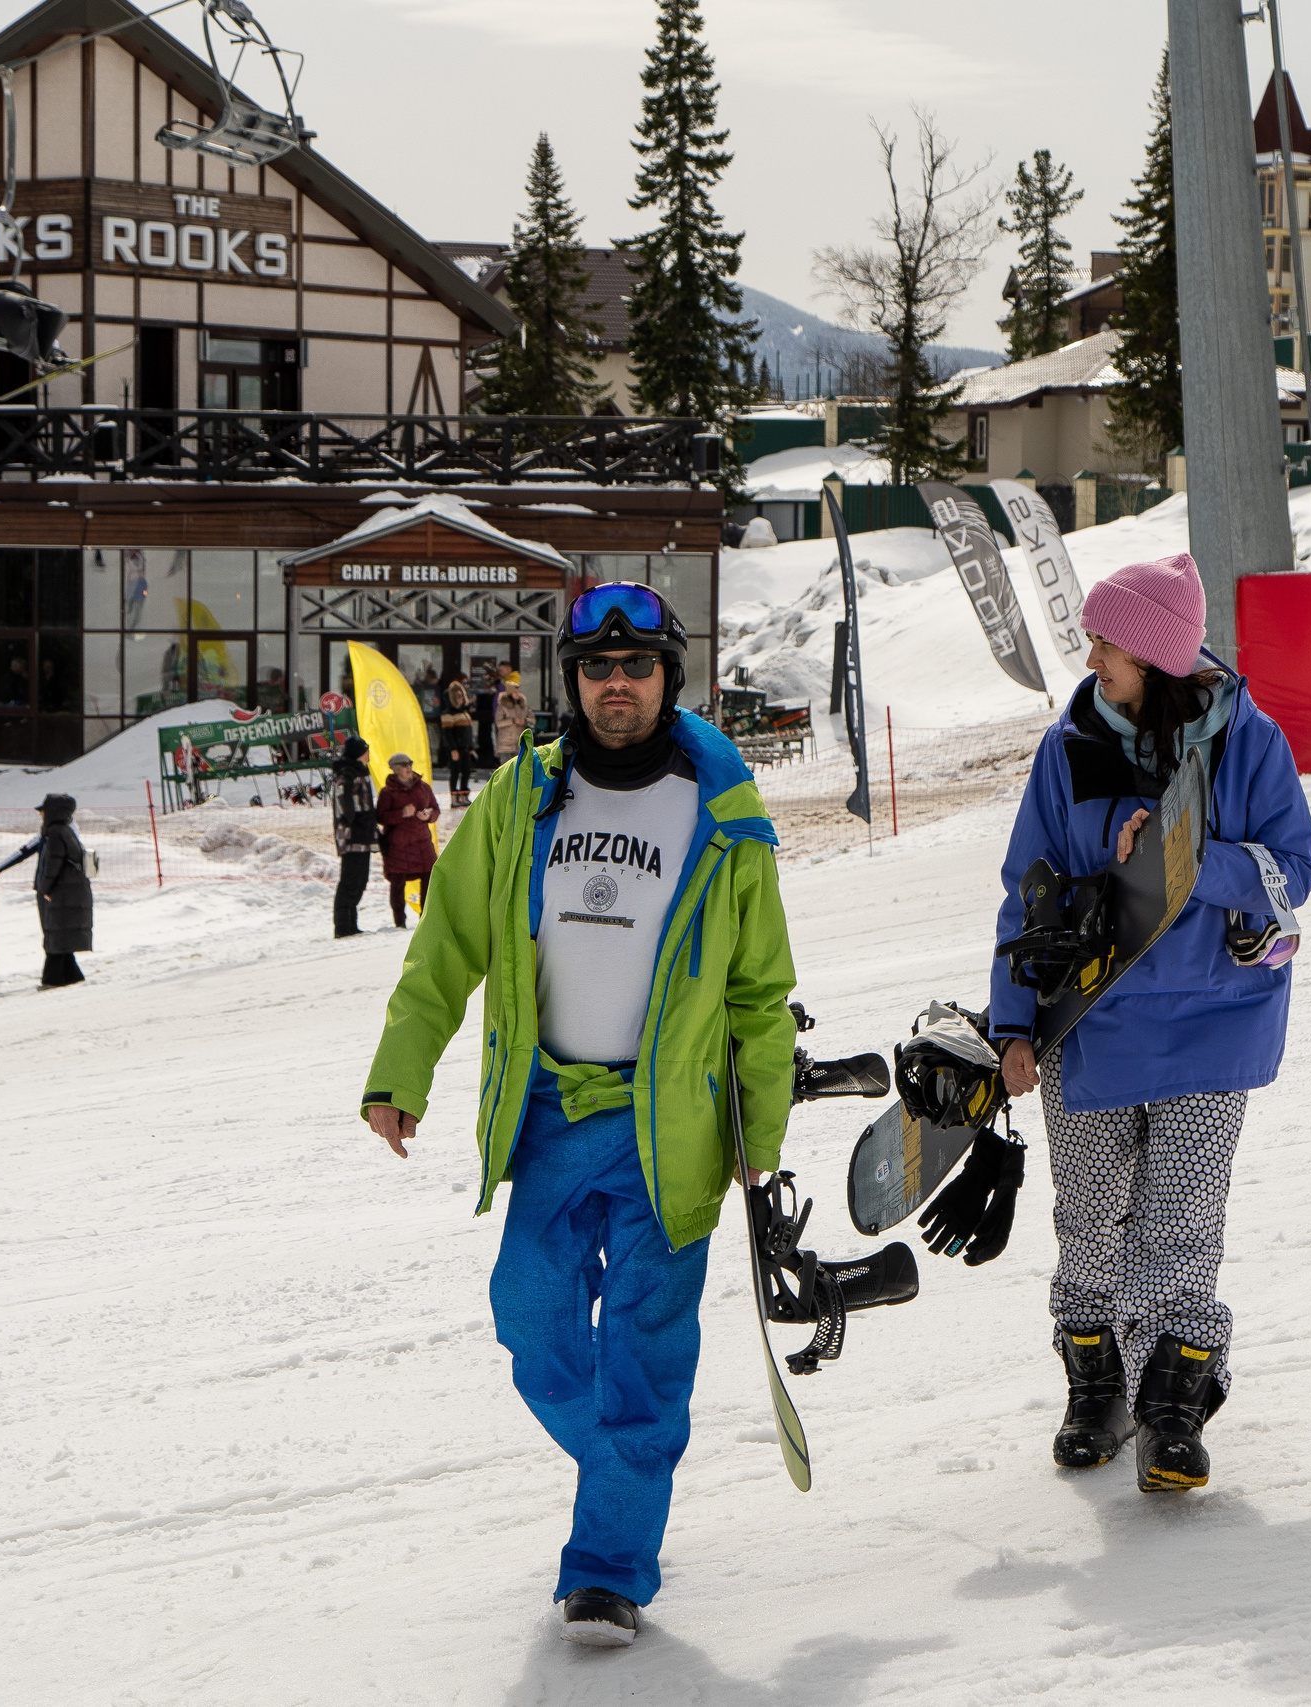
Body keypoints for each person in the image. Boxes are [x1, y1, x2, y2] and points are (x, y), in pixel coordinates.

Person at [360, 582, 797, 1649]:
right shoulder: (520, 800)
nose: (615, 686)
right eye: (597, 669)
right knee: (531, 1319)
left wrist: (760, 1136)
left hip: (675, 1123)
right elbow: (446, 947)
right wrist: (398, 1071)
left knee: (645, 1354)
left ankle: (606, 1568)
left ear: (667, 676)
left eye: (635, 667)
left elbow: (758, 991)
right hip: (552, 1112)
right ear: (572, 682)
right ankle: (627, 1462)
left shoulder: (723, 818)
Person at [988, 552, 1311, 1493]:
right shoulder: (1070, 747)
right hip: (1092, 1020)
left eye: (1108, 646)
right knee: (1091, 1217)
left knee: (1178, 1218)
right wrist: (1016, 1025)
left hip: (1217, 1022)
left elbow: (1293, 868)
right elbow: (1028, 892)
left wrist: (1188, 863)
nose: (1093, 662)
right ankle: (1096, 1383)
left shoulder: (1249, 742)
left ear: (1159, 660)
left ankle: (1174, 1397)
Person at [0, 794, 93, 987]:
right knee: (58, 934)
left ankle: (52, 979)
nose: (40, 813)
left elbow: (53, 865)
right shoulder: (56, 832)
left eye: (43, 809)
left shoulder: (57, 833)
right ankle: (72, 976)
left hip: (60, 892)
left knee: (55, 934)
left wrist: (45, 888)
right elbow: (26, 850)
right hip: (65, 891)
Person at [376, 751, 439, 928]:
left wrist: (429, 815)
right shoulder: (388, 792)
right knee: (397, 883)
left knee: (430, 878)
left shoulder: (423, 787)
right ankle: (399, 921)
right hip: (399, 845)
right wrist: (401, 814)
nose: (409, 768)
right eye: (404, 765)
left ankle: (426, 919)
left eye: (410, 764)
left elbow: (435, 809)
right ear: (395, 769)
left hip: (422, 842)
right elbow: (381, 816)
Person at [328, 734, 377, 938]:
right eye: (365, 751)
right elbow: (345, 804)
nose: (368, 755)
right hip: (352, 836)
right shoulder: (346, 774)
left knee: (361, 879)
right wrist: (354, 822)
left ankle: (352, 923)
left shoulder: (360, 772)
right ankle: (343, 926)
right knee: (349, 880)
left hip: (364, 834)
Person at [440, 675, 478, 805]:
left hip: (465, 746)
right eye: (458, 697)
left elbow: (469, 732)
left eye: (462, 696)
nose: (461, 699)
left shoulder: (464, 712)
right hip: (456, 747)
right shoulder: (448, 713)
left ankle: (463, 794)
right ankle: (454, 797)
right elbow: (448, 734)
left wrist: (471, 747)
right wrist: (452, 749)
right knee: (455, 772)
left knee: (466, 771)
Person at [494, 668, 533, 758]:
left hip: (519, 744)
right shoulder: (502, 705)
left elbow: (532, 719)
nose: (517, 693)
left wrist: (525, 721)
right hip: (505, 745)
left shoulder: (523, 704)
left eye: (518, 690)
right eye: (515, 691)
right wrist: (512, 721)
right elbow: (498, 722)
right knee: (506, 769)